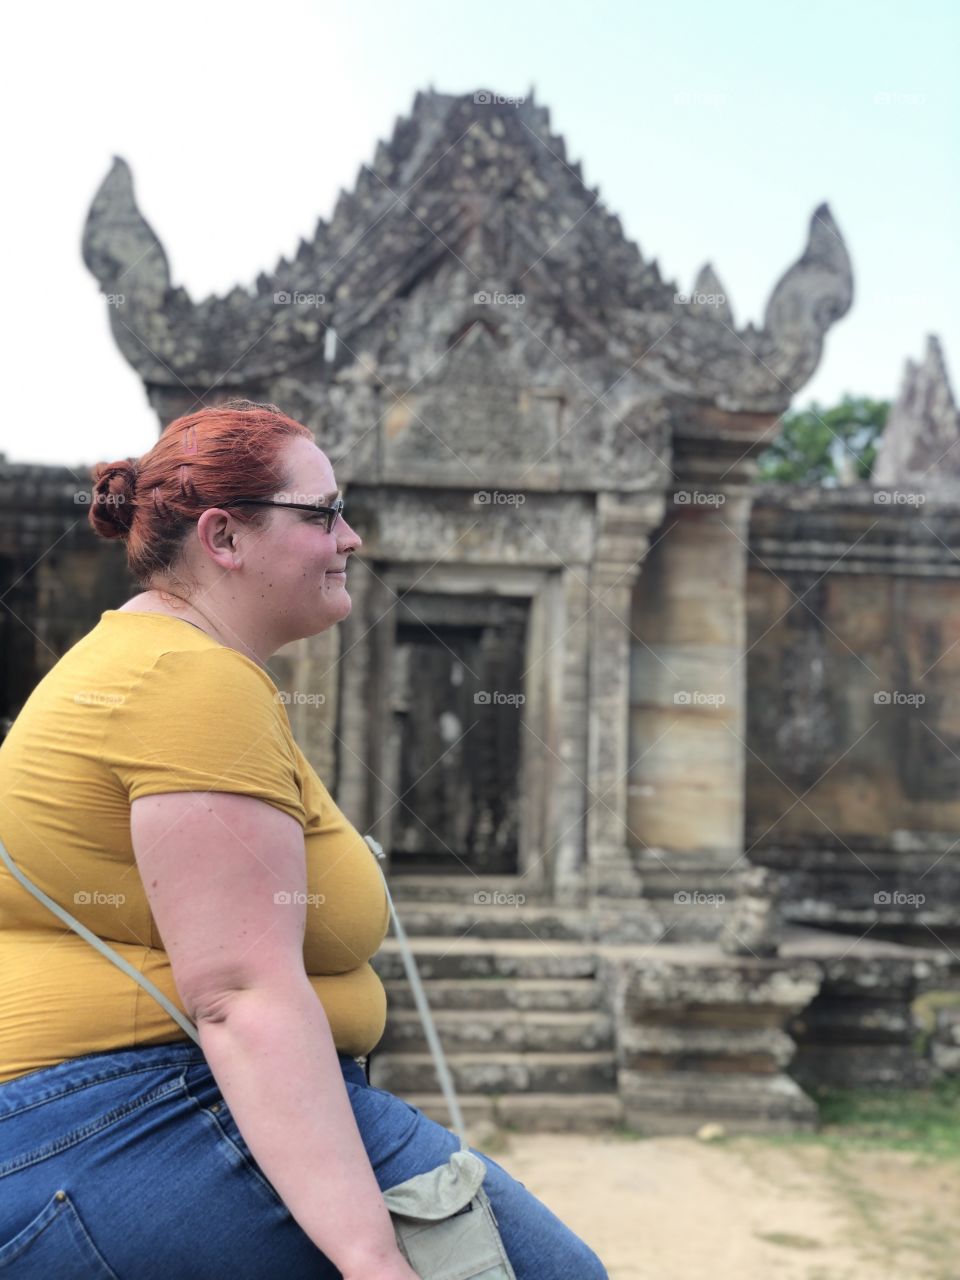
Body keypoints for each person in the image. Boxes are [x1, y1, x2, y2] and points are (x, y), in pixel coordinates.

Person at [0, 400, 608, 1279]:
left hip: (101, 1122)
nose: (350, 537)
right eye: (322, 513)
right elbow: (239, 994)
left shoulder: (160, 662)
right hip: (139, 1111)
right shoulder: (187, 679)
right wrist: (372, 1257)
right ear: (224, 537)